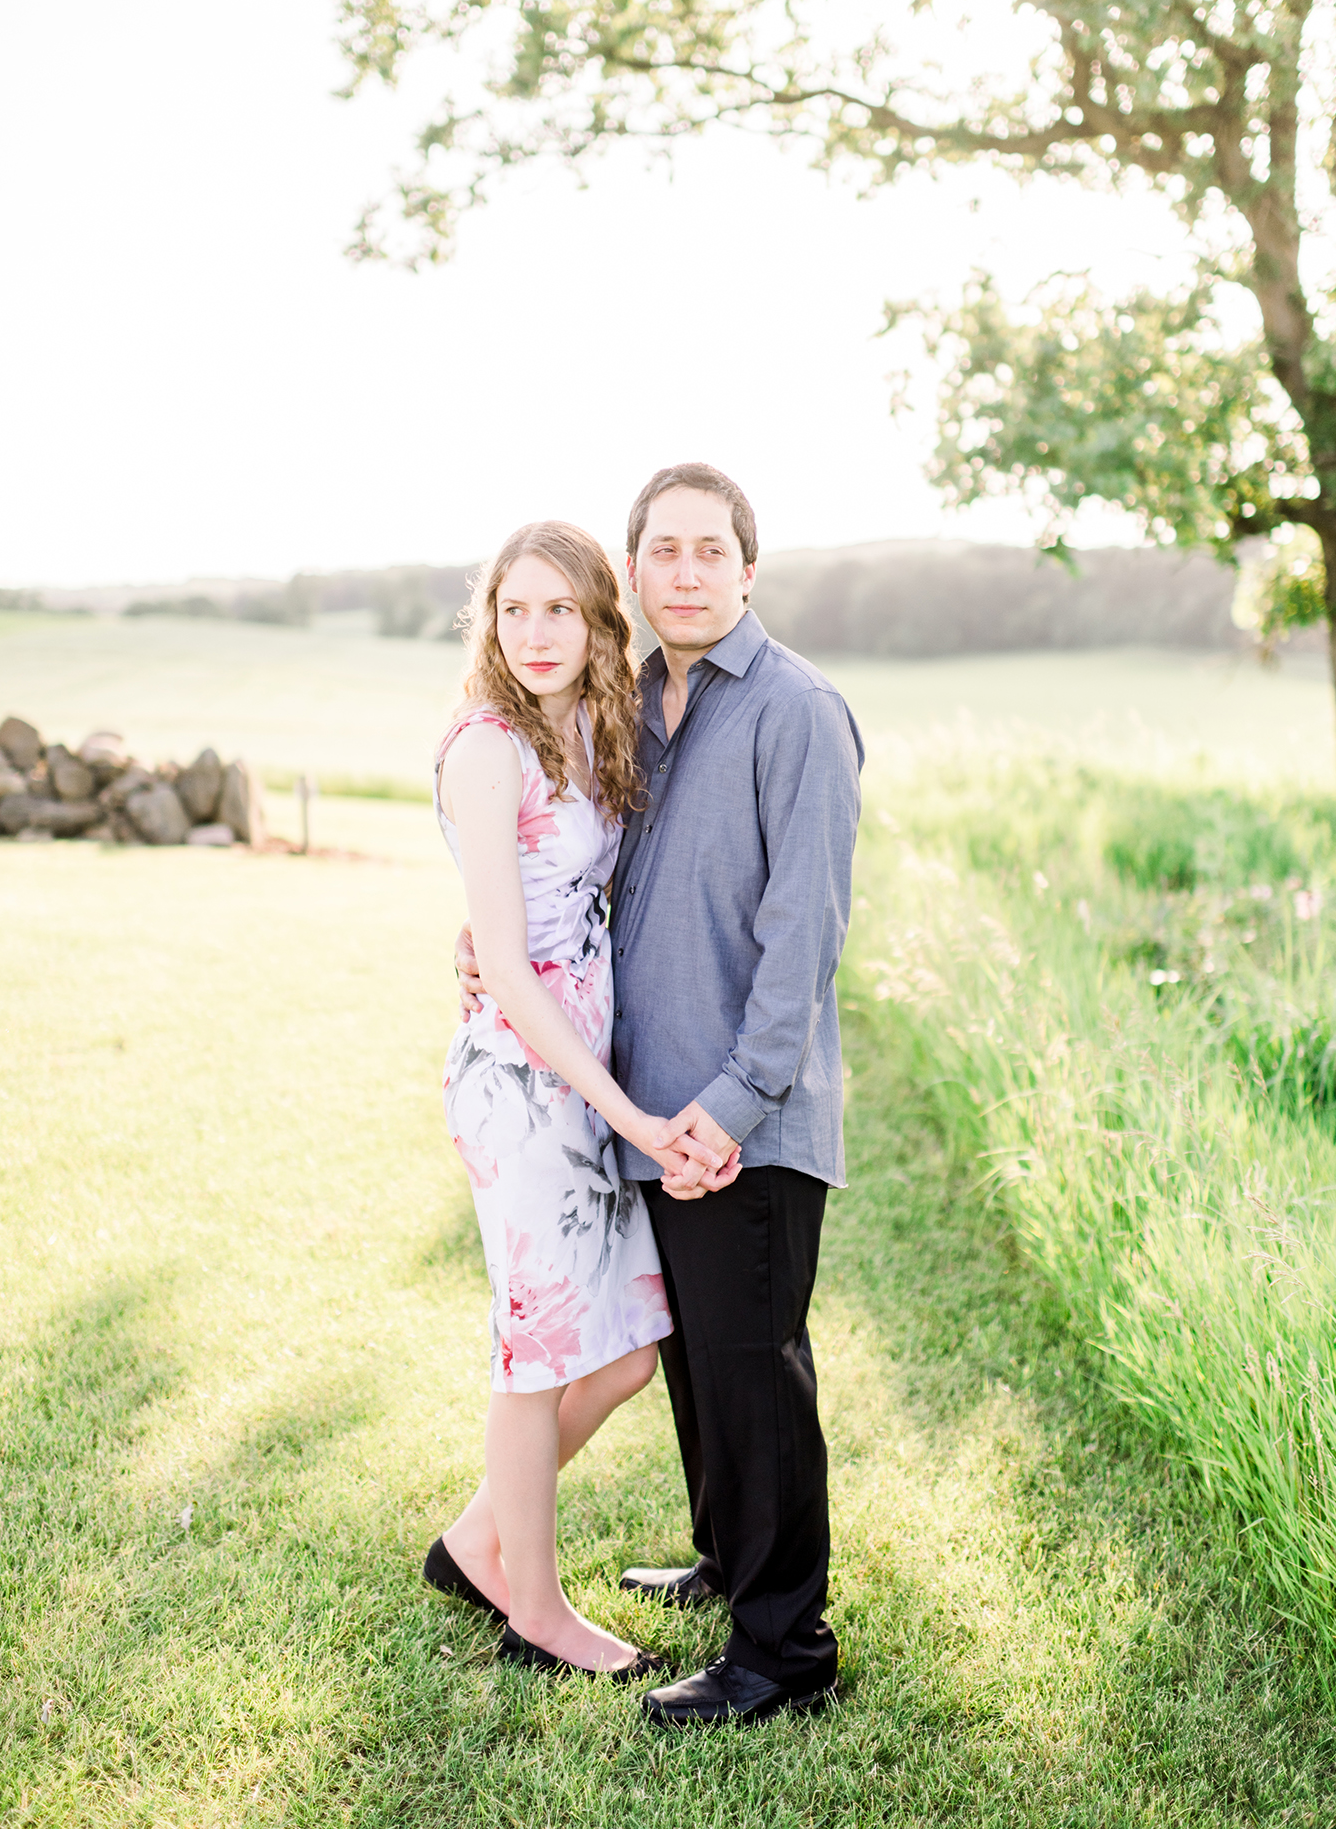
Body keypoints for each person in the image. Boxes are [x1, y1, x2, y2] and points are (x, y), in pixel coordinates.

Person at [458, 465, 864, 1727]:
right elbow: (552, 877)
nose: (685, 572)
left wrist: (735, 1105)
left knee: (754, 1368)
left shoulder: (793, 710)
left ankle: (783, 1649)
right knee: (693, 1359)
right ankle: (726, 1559)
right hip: (639, 1100)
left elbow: (804, 933)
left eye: (710, 550)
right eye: (663, 552)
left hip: (742, 1114)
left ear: (747, 567)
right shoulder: (630, 702)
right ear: (632, 576)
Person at [427, 518, 739, 1682]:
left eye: (560, 608)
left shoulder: (591, 726)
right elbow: (504, 967)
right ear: (490, 620)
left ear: (598, 618)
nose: (536, 632)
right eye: (514, 609)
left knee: (623, 1356)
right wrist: (629, 1114)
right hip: (524, 1087)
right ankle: (536, 1609)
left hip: (580, 1081)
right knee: (539, 1355)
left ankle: (474, 1541)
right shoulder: (486, 745)